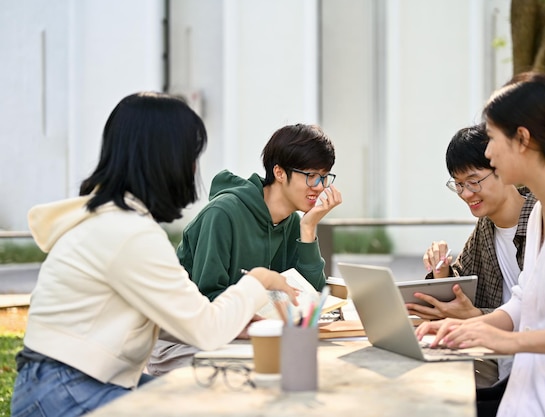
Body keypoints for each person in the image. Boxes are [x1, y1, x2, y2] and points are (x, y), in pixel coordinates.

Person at [10, 92, 298, 417]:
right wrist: (258, 280)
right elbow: (207, 329)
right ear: (166, 159)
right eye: (191, 157)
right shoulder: (128, 232)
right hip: (65, 391)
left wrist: (235, 323)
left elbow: (171, 316)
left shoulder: (112, 219)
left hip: (57, 383)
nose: (193, 169)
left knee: (217, 399)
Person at [416, 72, 545, 417]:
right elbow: (524, 302)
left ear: (522, 140)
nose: (488, 152)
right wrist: (464, 328)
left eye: (493, 138)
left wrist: (510, 342)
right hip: (535, 398)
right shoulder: (542, 208)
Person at [147, 123, 342, 375]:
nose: (320, 185)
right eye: (311, 176)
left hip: (245, 337)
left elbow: (310, 298)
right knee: (272, 370)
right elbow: (206, 299)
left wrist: (308, 229)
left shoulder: (293, 222)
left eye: (325, 176)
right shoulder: (222, 215)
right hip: (181, 342)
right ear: (279, 172)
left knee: (313, 365)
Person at [407, 124, 537, 388]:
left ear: (503, 168)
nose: (466, 194)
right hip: (496, 357)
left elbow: (541, 314)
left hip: (534, 364)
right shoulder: (486, 227)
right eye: (458, 184)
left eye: (474, 181)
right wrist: (441, 272)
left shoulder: (542, 219)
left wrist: (476, 316)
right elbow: (461, 287)